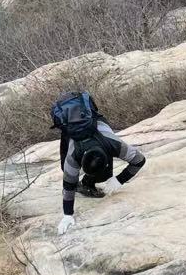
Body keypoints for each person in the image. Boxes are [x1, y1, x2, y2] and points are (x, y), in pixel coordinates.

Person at [51, 91, 146, 236]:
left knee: (104, 176)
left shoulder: (113, 144)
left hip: (96, 124)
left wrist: (119, 180)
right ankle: (82, 185)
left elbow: (140, 160)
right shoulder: (73, 155)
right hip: (70, 128)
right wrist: (67, 215)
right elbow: (68, 187)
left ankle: (91, 181)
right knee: (67, 172)